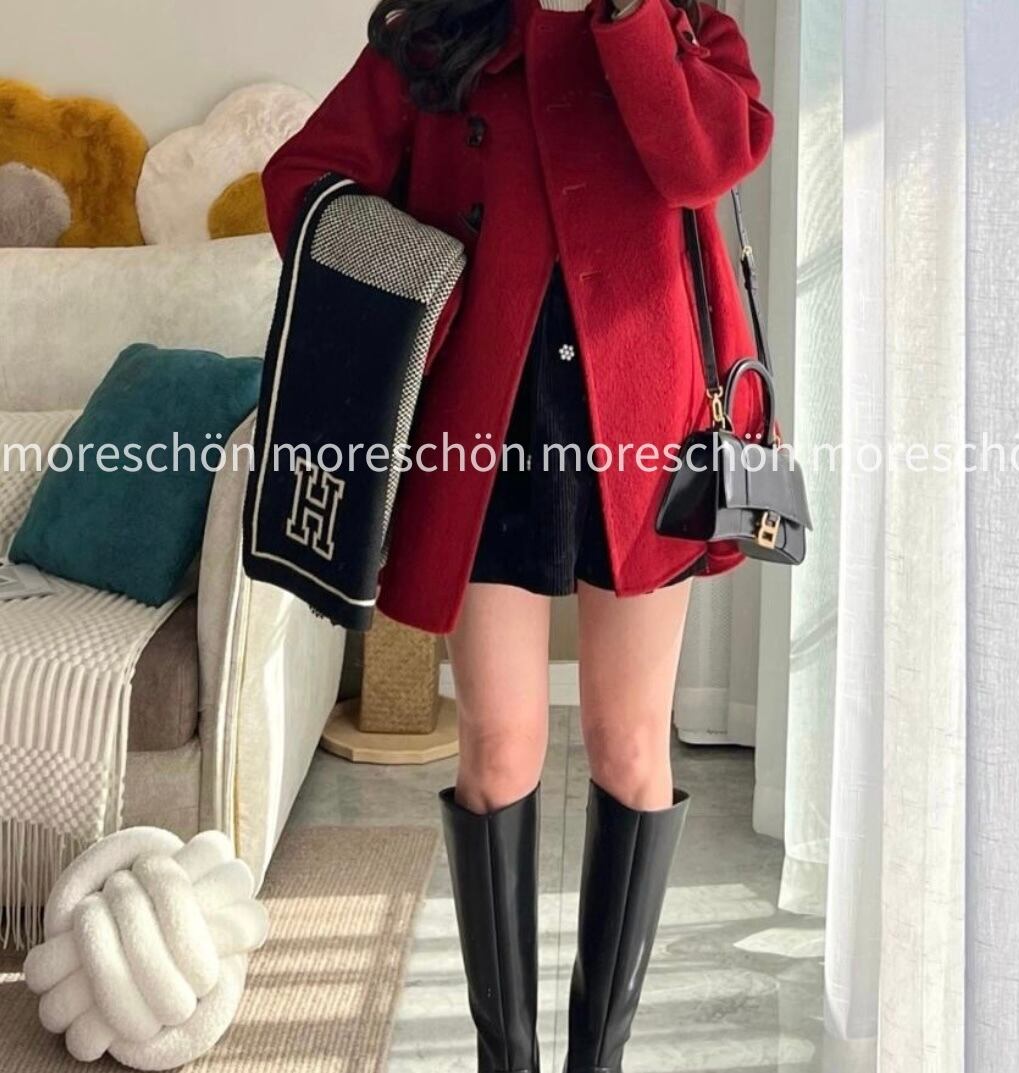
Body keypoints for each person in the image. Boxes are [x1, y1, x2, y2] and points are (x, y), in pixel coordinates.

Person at [261, 0, 772, 1067]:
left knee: (630, 744)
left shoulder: (685, 27)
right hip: (485, 428)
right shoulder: (438, 31)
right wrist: (424, 289)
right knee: (497, 751)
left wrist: (628, 20)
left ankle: (598, 1057)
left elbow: (702, 166)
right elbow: (303, 178)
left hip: (646, 433)